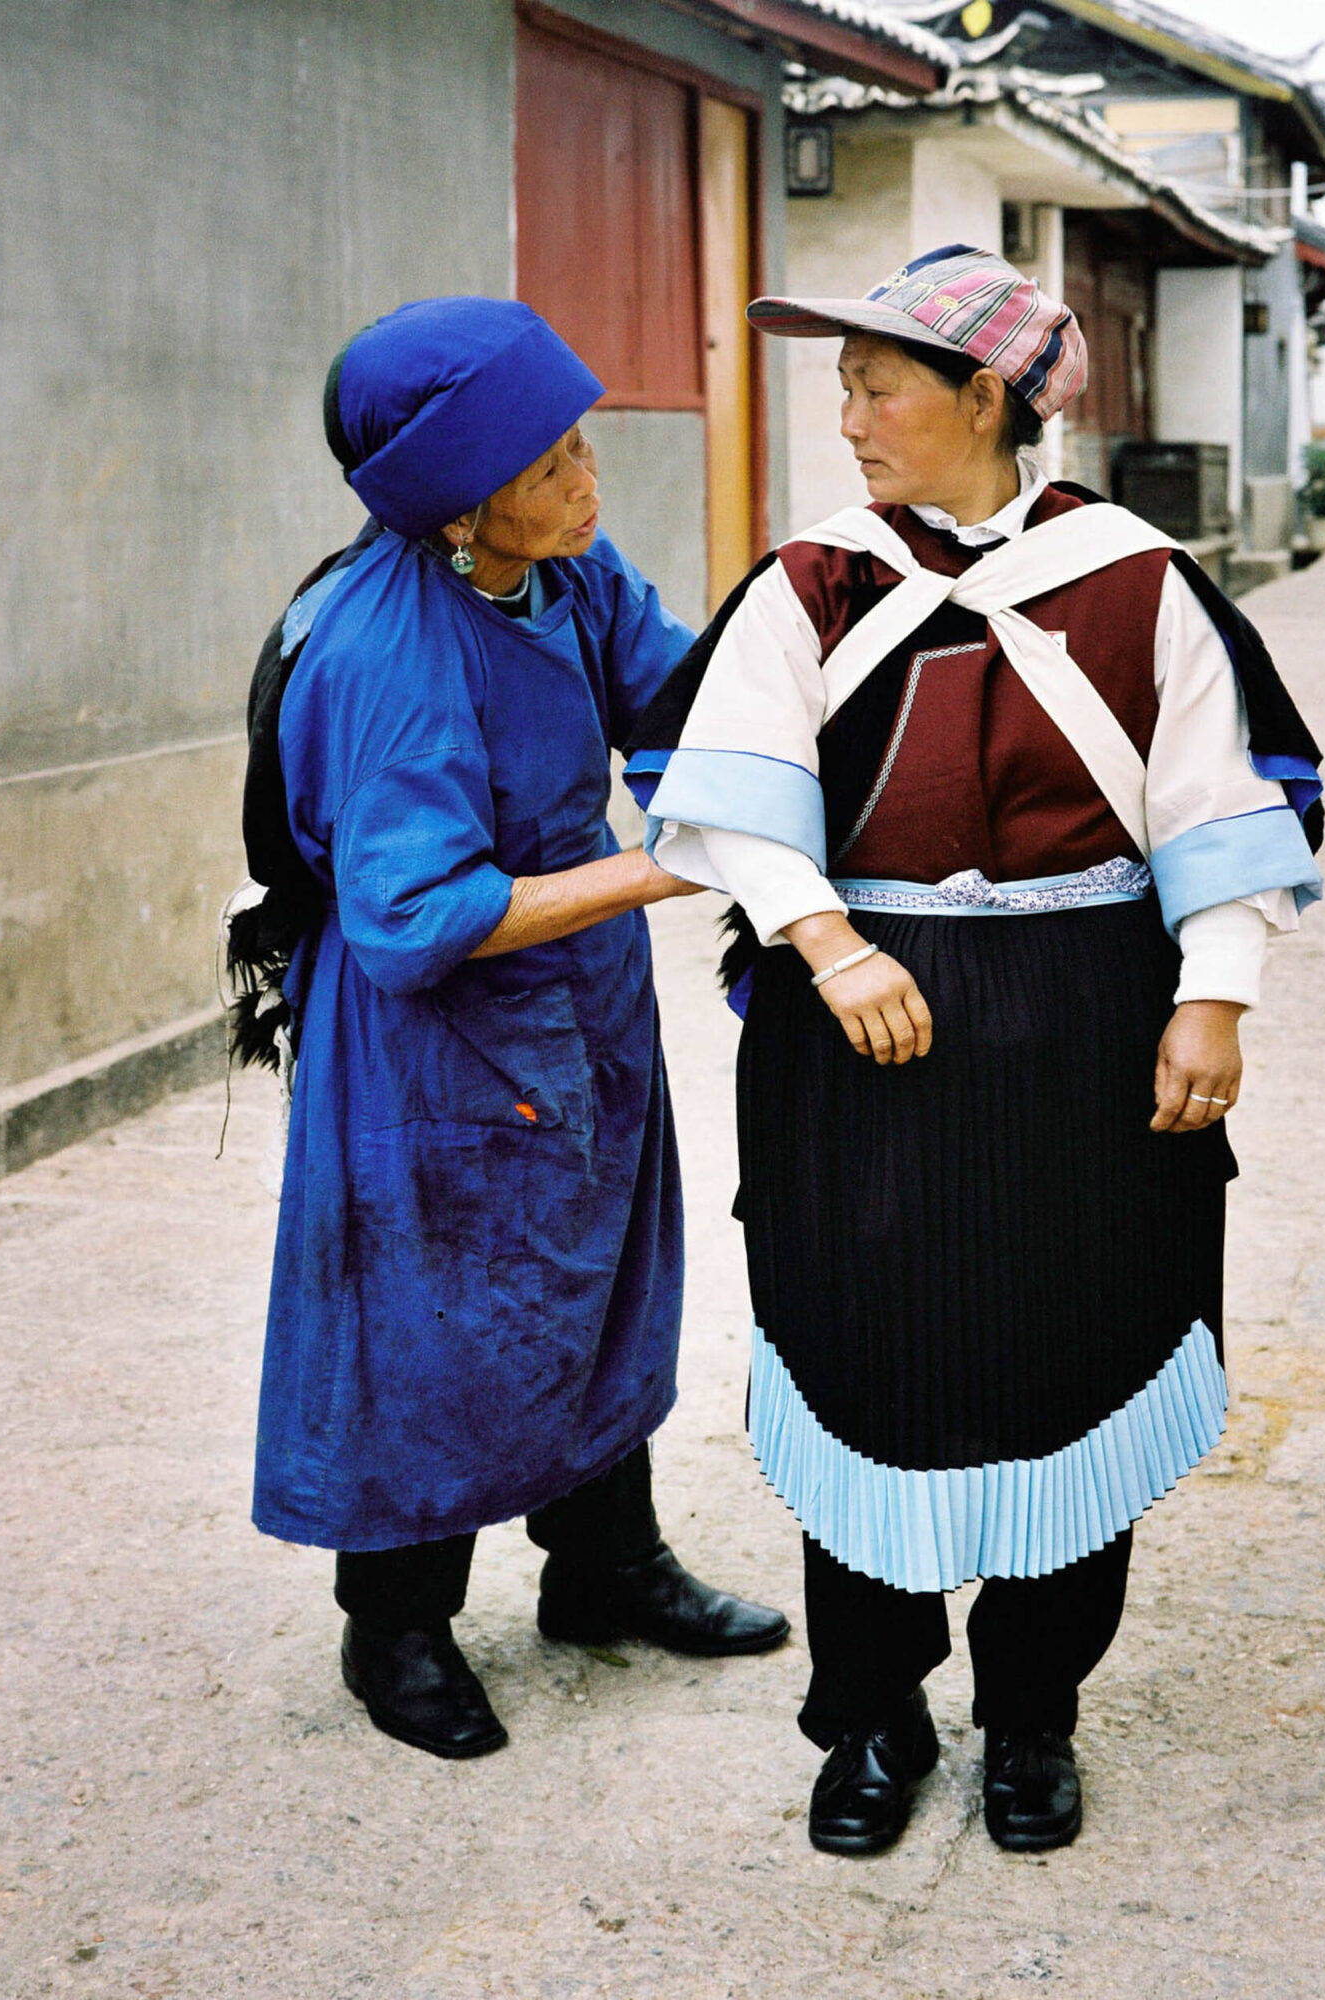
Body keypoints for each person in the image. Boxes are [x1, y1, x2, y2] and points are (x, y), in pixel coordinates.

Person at [625, 247, 1323, 1855]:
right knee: (868, 1358)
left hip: (1089, 1025)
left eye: (882, 383)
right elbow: (720, 788)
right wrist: (825, 939)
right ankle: (870, 1720)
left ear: (988, 397)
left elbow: (1226, 800)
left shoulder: (1139, 580)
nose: (850, 412)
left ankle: (1033, 1715)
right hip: (859, 1029)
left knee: (1072, 1356)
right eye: (847, 382)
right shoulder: (810, 581)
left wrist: (1212, 994)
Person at [249, 297, 787, 1762]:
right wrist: (673, 863)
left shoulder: (565, 573)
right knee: (426, 1322)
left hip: (582, 1010)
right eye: (551, 463)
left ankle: (605, 1568)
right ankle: (400, 1626)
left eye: (581, 444)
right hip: (437, 1045)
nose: (586, 479)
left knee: (602, 1276)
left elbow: (672, 702)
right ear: (461, 504)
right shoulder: (387, 653)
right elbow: (415, 920)